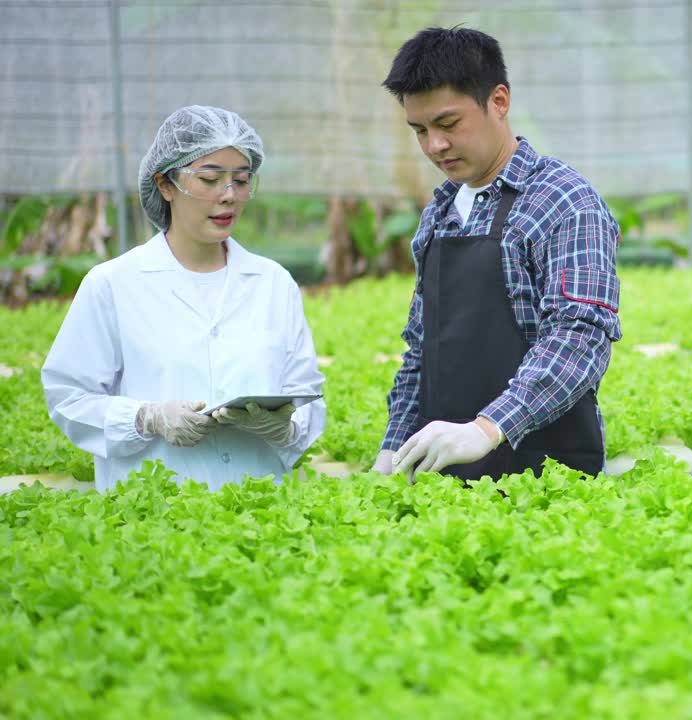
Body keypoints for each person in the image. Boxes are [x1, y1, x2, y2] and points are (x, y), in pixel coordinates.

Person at [372, 27, 622, 481]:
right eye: (420, 130)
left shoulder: (564, 200)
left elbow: (579, 338)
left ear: (499, 101)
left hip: (546, 473)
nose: (434, 146)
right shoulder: (441, 211)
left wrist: (488, 428)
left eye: (448, 125)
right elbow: (421, 350)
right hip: (445, 473)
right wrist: (393, 447)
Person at [41, 105, 326, 492]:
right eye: (210, 178)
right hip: (152, 515)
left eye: (241, 180)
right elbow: (68, 397)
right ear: (165, 185)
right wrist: (145, 417)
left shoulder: (274, 284)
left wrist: (283, 426)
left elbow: (306, 395)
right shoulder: (113, 284)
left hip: (261, 517)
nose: (229, 196)